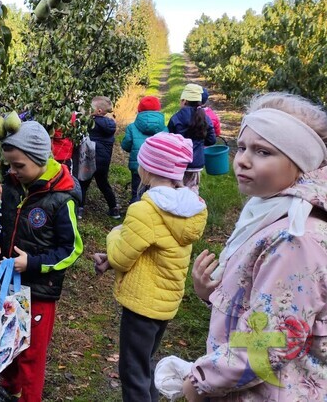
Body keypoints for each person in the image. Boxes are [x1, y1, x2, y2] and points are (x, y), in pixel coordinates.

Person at [182, 93, 327, 401]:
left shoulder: (294, 238)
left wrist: (201, 382)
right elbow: (269, 305)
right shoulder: (271, 212)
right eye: (243, 147)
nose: (243, 159)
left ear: (300, 162)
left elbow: (271, 342)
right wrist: (214, 293)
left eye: (263, 152)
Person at [93, 132, 208, 402]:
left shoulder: (145, 210)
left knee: (132, 371)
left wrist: (115, 233)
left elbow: (123, 256)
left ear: (146, 169)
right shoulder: (189, 207)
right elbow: (152, 249)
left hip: (142, 304)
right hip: (165, 302)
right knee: (144, 363)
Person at [0, 121, 83, 402]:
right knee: (8, 336)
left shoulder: (61, 199)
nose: (12, 171)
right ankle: (10, 386)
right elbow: (0, 218)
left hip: (38, 290)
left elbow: (72, 249)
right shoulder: (14, 184)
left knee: (32, 353)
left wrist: (34, 263)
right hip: (8, 283)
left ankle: (29, 397)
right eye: (10, 166)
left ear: (39, 160)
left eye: (18, 166)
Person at [167, 83, 216, 194]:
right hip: (196, 162)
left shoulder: (176, 118)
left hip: (178, 162)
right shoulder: (205, 118)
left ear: (184, 101)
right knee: (192, 189)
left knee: (177, 189)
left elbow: (170, 139)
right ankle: (193, 208)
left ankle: (176, 210)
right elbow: (211, 140)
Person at [79, 96, 120, 219]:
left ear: (98, 111)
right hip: (104, 161)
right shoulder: (110, 124)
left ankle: (79, 210)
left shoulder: (91, 123)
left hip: (90, 159)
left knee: (83, 183)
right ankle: (114, 209)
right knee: (103, 183)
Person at [121, 96, 167, 203]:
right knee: (154, 193)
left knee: (137, 191)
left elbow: (126, 145)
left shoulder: (132, 127)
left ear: (139, 109)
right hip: (158, 167)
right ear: (158, 109)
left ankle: (134, 211)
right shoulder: (165, 128)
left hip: (138, 165)